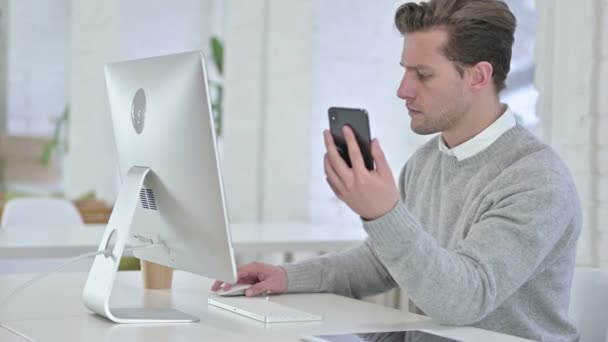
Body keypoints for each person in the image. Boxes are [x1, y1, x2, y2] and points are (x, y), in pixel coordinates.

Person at [212, 0, 582, 340]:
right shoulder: (427, 162)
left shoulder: (536, 180)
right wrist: (289, 277)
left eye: (422, 75)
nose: (403, 90)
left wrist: (383, 212)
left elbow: (464, 300)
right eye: (405, 71)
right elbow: (384, 261)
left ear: (478, 77)